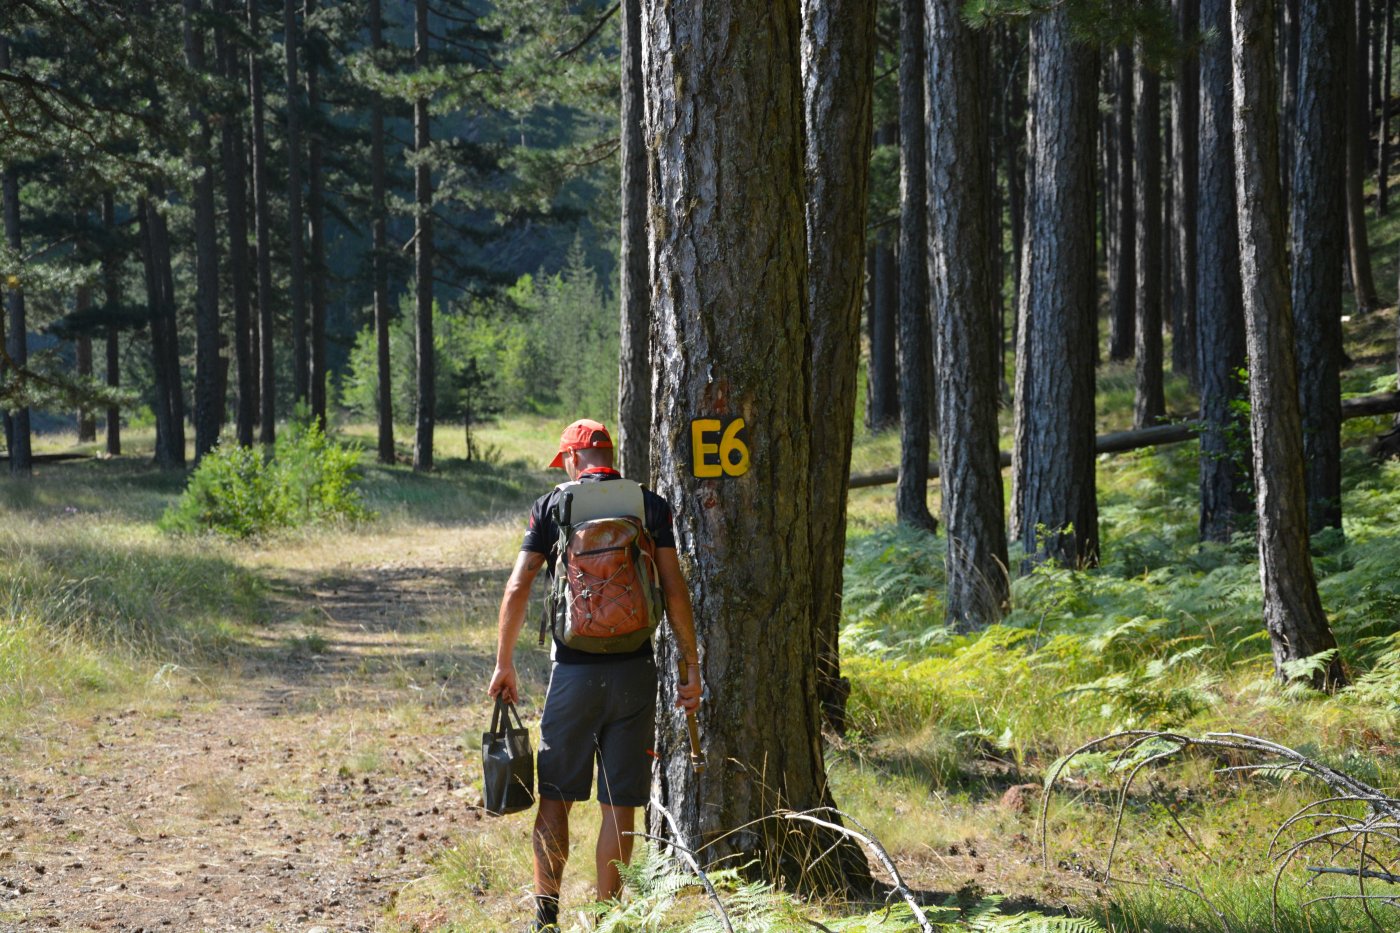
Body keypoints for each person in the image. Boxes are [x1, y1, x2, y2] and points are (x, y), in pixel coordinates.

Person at [488, 418, 703, 933]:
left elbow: (519, 588)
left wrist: (504, 662)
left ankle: (545, 920)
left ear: (571, 459)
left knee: (557, 795)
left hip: (574, 676)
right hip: (636, 671)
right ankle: (609, 920)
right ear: (608, 453)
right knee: (619, 805)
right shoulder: (648, 506)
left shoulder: (553, 506)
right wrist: (691, 666)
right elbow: (674, 588)